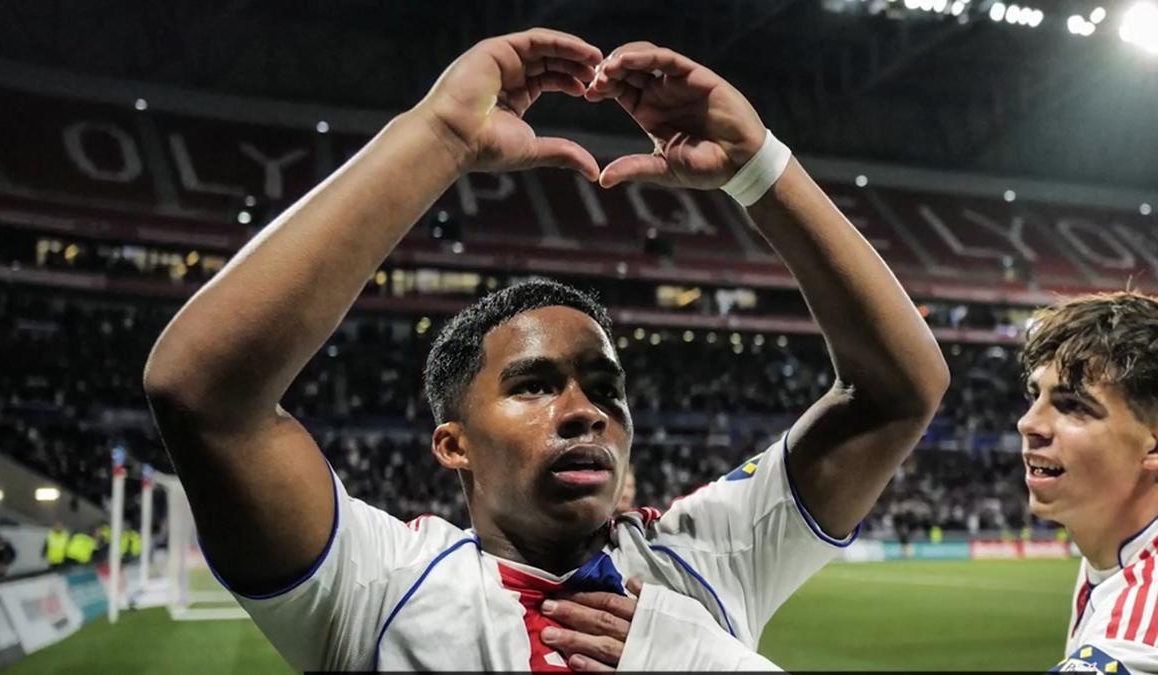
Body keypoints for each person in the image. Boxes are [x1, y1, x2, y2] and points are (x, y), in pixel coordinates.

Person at [144, 29, 948, 671]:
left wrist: (761, 169)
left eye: (606, 388)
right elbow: (203, 395)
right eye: (534, 387)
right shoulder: (378, 584)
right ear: (451, 442)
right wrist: (439, 135)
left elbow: (897, 391)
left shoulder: (707, 558)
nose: (584, 414)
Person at [1017, 292, 1158, 673]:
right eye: (1035, 396)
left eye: (1073, 405)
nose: (1029, 423)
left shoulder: (1137, 640)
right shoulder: (1112, 549)